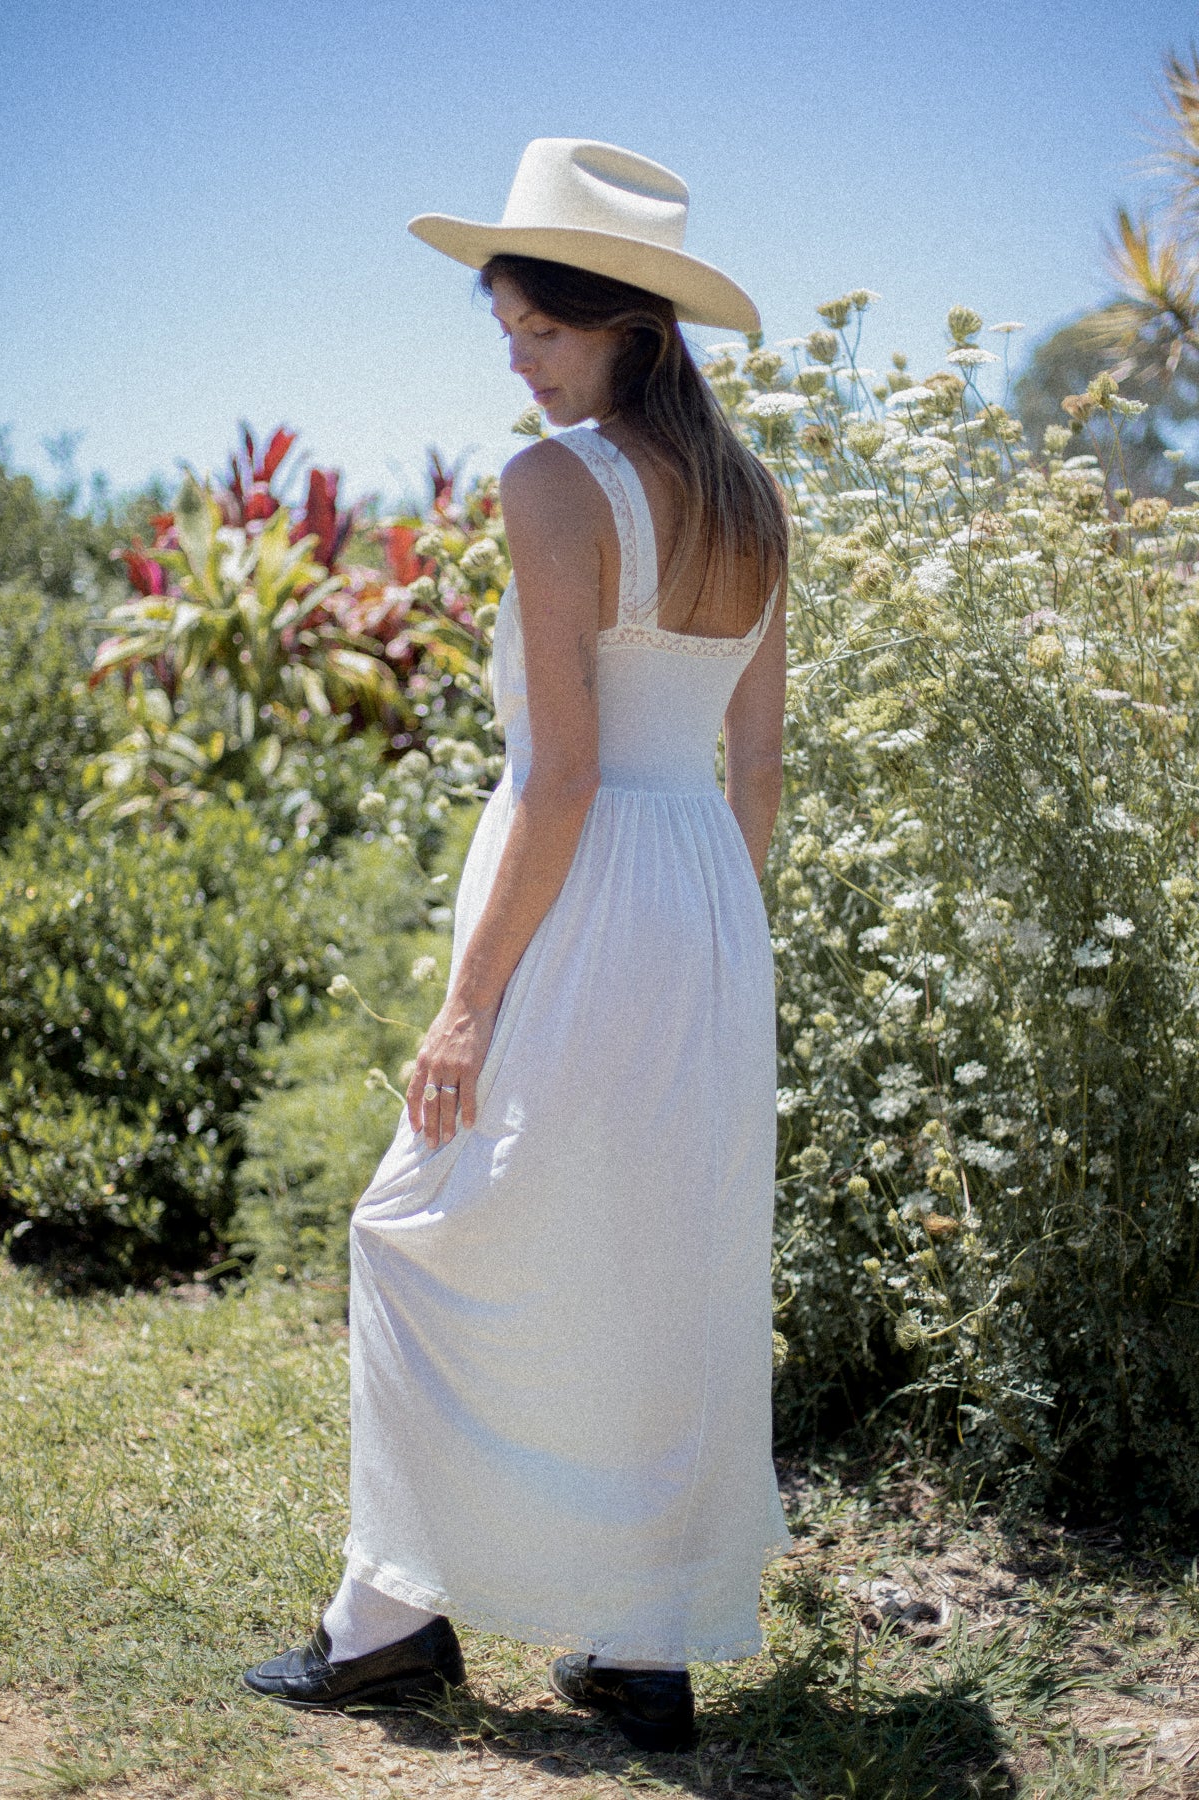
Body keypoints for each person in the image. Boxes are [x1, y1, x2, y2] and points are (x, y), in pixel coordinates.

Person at [244, 137, 792, 1755]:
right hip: (702, 896)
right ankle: (640, 1644)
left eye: (537, 332)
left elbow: (559, 776)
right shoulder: (757, 498)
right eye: (504, 331)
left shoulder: (555, 487)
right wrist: (714, 944)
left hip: (584, 884)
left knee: (411, 1224)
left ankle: (389, 1627)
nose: (515, 359)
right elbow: (752, 766)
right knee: (650, 1255)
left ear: (621, 322)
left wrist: (469, 1007)